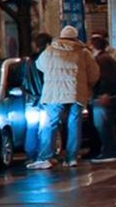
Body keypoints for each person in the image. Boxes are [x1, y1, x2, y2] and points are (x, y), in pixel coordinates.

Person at [29, 26, 95, 169]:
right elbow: (94, 74)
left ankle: (45, 157)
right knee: (74, 124)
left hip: (54, 94)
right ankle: (71, 158)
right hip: (76, 92)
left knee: (50, 124)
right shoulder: (84, 53)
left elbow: (40, 66)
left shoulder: (49, 51)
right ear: (76, 38)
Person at [87, 35, 116, 162]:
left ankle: (108, 152)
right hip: (110, 96)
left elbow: (105, 79)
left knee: (103, 125)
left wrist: (104, 93)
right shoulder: (106, 58)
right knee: (107, 125)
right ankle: (111, 151)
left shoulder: (101, 60)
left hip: (103, 98)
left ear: (93, 46)